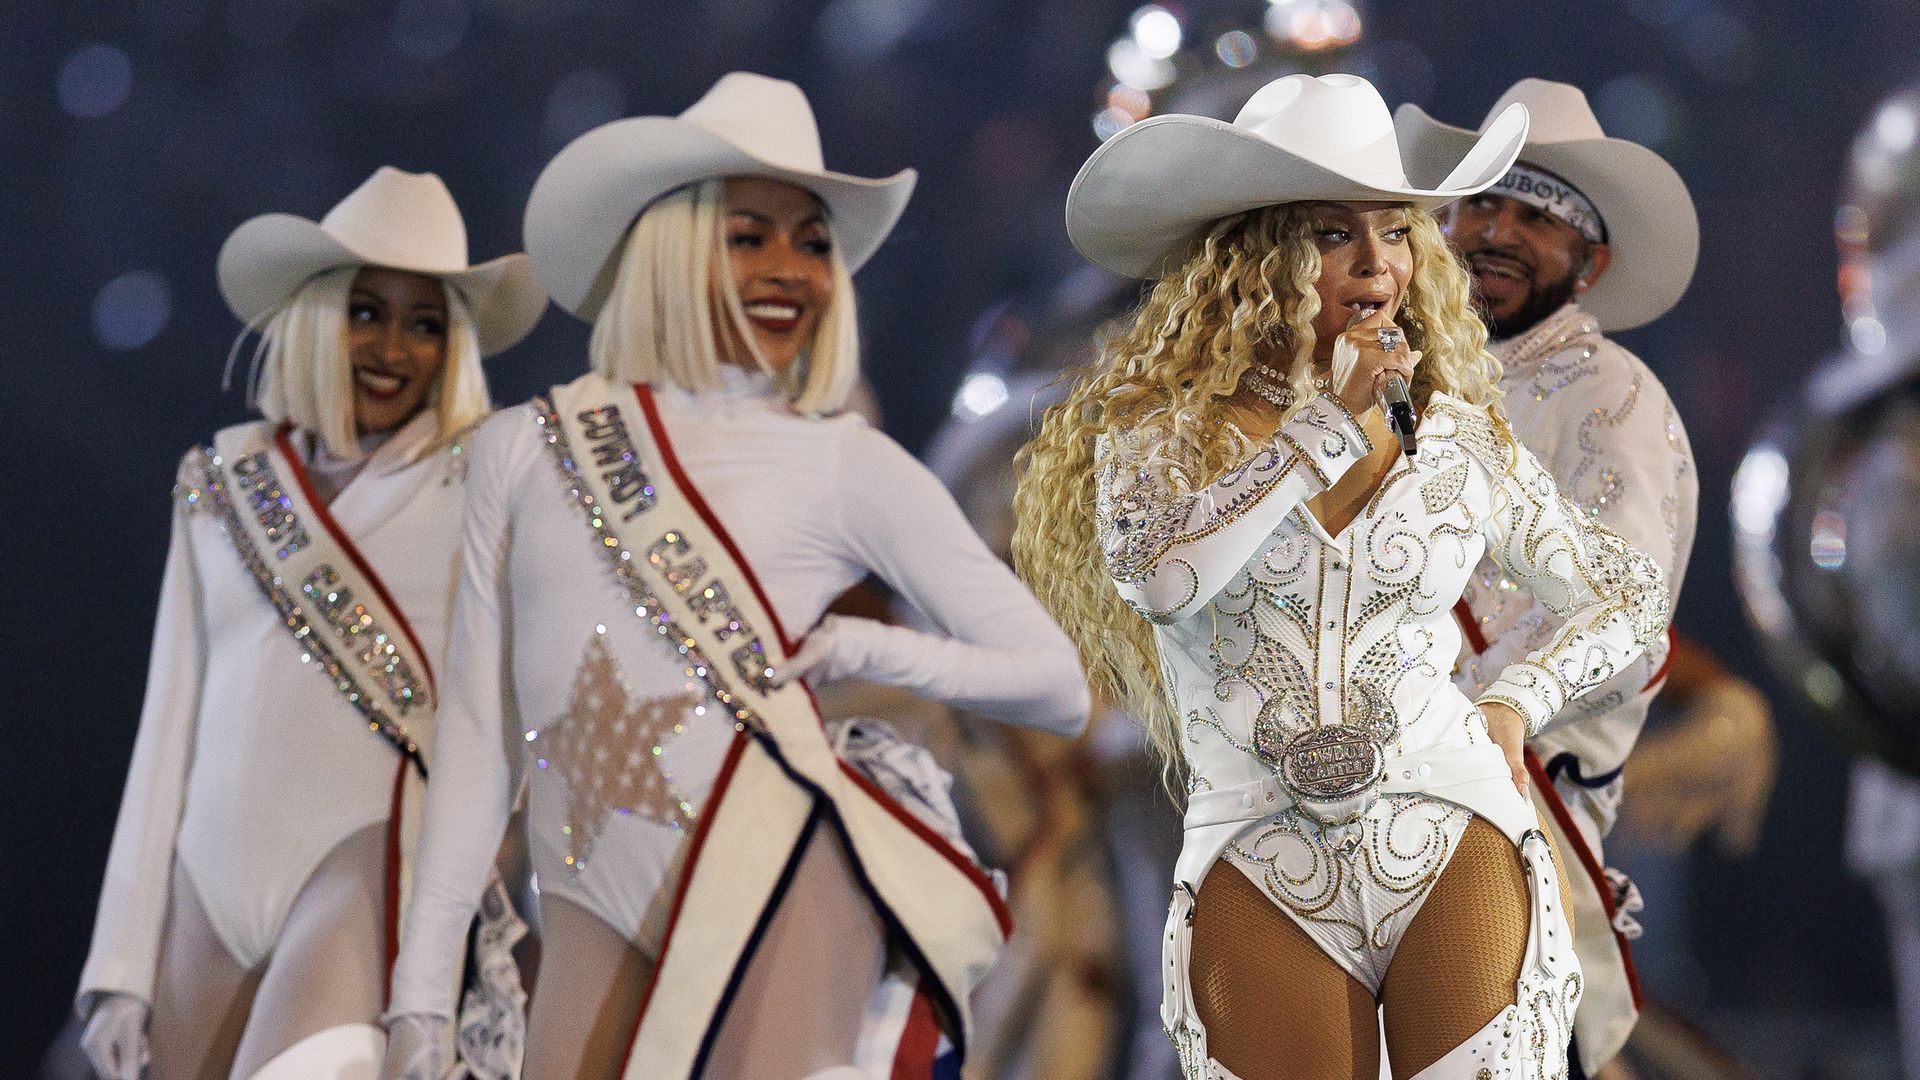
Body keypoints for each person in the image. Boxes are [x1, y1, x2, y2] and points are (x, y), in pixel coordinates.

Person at [379, 72, 1089, 1080]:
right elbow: (475, 743)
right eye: (749, 237)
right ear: (670, 251)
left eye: (813, 243)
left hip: (786, 881)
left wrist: (869, 646)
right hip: (586, 912)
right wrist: (420, 986)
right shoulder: (522, 451)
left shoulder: (846, 461)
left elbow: (1054, 683)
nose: (790, 269)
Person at [1015, 73, 1672, 1079]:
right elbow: (1162, 581)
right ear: (1250, 260)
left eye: (1397, 230)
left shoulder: (1456, 439)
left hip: (1453, 827)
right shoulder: (1161, 438)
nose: (1377, 262)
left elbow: (1630, 597)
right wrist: (1326, 426)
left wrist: (1516, 702)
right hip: (1256, 855)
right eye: (1332, 234)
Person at [76, 167, 546, 1080]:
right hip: (204, 884)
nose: (392, 348)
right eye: (365, 312)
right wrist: (119, 968)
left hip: (362, 871)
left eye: (426, 324)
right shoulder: (220, 477)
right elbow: (166, 732)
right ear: (314, 316)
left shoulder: (485, 477)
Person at [1395, 78, 1707, 1072]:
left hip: (1514, 836)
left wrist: (1470, 706)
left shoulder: (1613, 395)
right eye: (1481, 203)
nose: (1498, 231)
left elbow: (1626, 619)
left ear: (1590, 262)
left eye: (1537, 217)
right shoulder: (1392, 383)